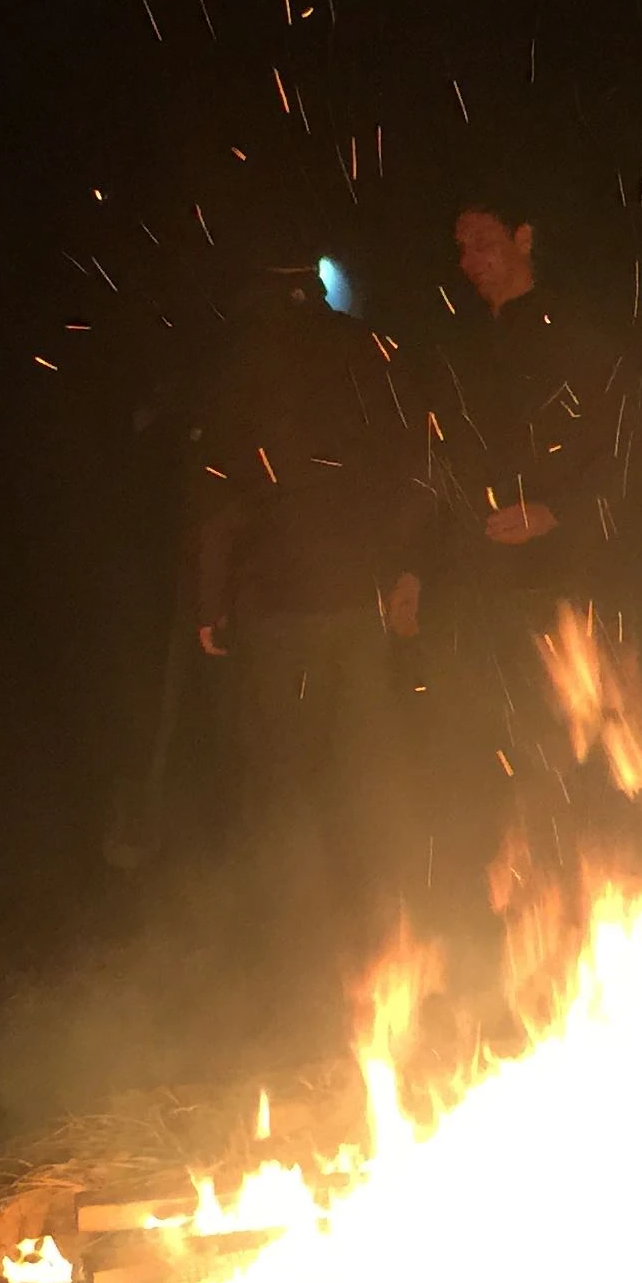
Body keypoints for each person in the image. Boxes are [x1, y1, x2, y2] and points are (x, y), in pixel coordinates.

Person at [185, 269, 432, 953]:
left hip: (279, 601)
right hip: (356, 595)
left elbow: (217, 492)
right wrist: (402, 564)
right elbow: (414, 462)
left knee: (283, 771)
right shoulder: (366, 349)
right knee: (369, 765)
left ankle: (301, 937)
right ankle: (394, 923)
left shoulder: (243, 361)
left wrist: (210, 598)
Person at [420, 193, 631, 815]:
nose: (470, 260)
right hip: (484, 585)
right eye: (461, 247)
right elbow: (443, 458)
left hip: (568, 578)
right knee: (503, 754)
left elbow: (624, 450)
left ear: (524, 238)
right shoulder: (464, 346)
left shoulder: (578, 336)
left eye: (484, 240)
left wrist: (555, 511)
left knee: (579, 742)